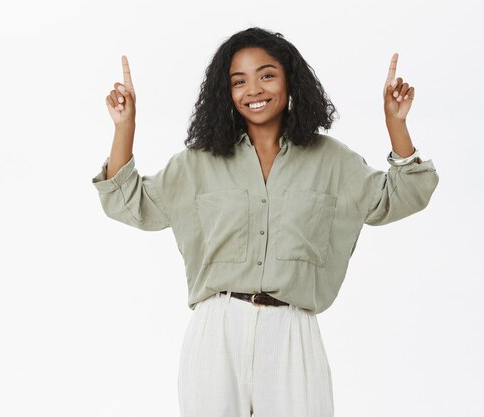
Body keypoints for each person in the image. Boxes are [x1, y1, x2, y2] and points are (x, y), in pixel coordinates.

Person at [91, 27, 439, 417]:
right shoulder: (198, 163)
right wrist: (125, 127)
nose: (253, 90)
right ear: (227, 92)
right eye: (239, 81)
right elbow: (128, 202)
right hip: (216, 330)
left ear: (291, 80)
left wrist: (397, 125)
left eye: (267, 75)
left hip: (292, 330)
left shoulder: (332, 161)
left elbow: (403, 196)